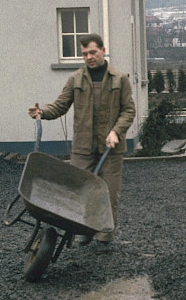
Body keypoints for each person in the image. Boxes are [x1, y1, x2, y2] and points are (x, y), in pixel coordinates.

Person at [28, 33, 135, 253]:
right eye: (84, 53)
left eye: (93, 52)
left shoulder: (120, 78)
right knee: (80, 191)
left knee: (109, 192)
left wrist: (116, 131)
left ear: (103, 51)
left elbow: (129, 110)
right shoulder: (76, 79)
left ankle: (105, 236)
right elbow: (60, 105)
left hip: (111, 147)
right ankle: (84, 231)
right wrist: (42, 112)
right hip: (83, 146)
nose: (88, 57)